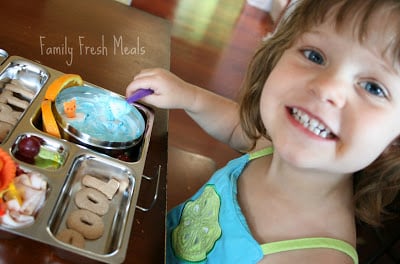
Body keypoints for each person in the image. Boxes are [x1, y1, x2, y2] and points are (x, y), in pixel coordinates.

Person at [126, 0, 400, 263]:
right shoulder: (269, 146)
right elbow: (236, 126)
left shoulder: (319, 257)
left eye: (373, 88)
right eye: (314, 55)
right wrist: (189, 96)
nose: (328, 88)